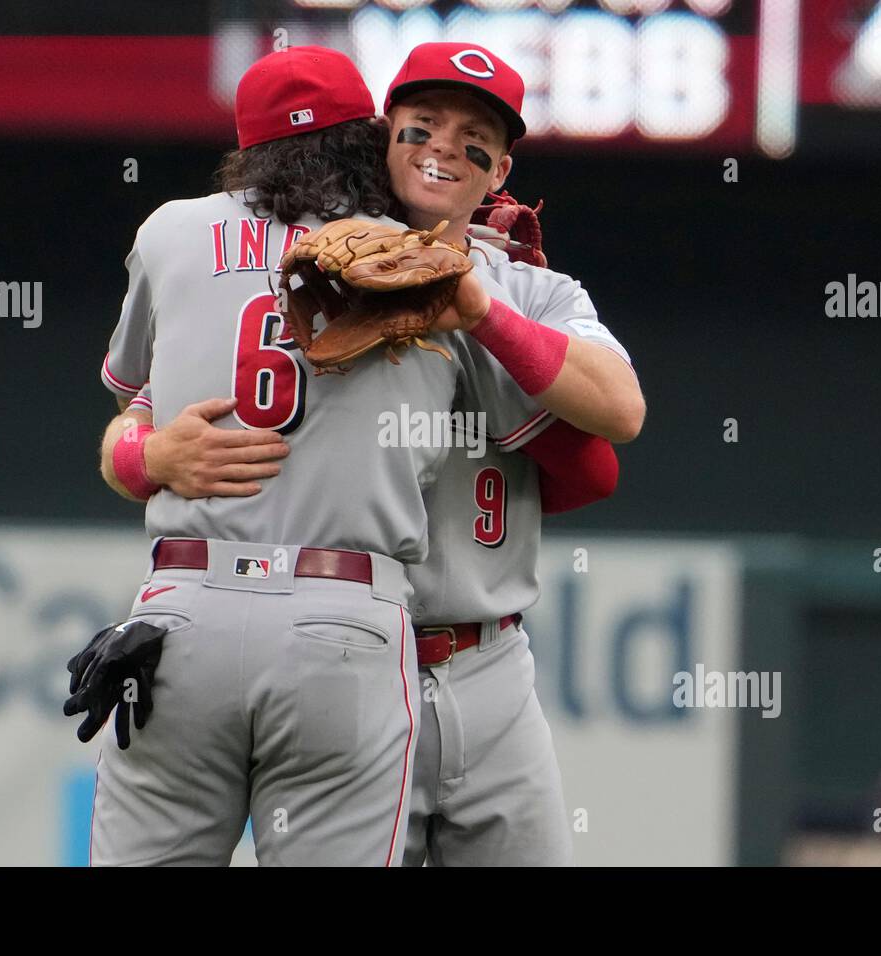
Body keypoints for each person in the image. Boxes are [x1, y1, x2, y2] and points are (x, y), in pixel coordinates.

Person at [107, 43, 644, 866]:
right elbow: (133, 425)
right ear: (375, 138)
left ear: (501, 169)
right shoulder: (330, 256)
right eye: (420, 125)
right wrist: (148, 455)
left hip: (476, 652)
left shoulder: (523, 288)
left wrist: (478, 307)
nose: (441, 147)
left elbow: (610, 436)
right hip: (357, 631)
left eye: (473, 137)